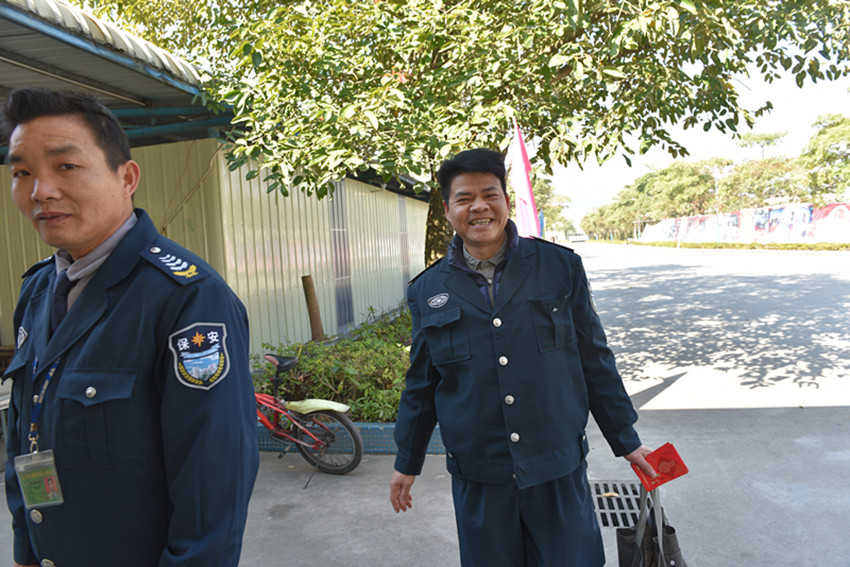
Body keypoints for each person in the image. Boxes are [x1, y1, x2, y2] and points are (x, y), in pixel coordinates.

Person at [1, 88, 259, 567]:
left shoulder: (186, 297)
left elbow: (212, 483)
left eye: (66, 166)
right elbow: (24, 432)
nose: (40, 191)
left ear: (127, 178)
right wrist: (25, 549)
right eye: (22, 173)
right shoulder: (37, 291)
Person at [389, 148, 657, 566]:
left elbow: (594, 360)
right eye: (464, 198)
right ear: (447, 210)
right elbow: (423, 384)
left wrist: (627, 440)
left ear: (506, 201)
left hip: (556, 465)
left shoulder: (559, 266)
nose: (479, 207)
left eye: (489, 194)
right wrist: (407, 461)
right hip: (479, 472)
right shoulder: (427, 290)